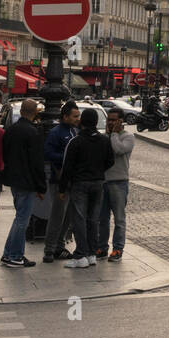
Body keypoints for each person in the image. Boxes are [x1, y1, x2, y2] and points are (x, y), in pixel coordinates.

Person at [59, 109, 114, 269]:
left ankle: (80, 254)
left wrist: (62, 189)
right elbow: (110, 161)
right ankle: (91, 253)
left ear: (82, 121)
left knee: (79, 219)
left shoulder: (76, 141)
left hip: (80, 183)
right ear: (96, 122)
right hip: (98, 183)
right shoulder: (104, 140)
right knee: (93, 219)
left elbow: (67, 167)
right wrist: (98, 170)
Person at [0, 99, 46, 268]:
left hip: (14, 180)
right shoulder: (33, 133)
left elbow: (4, 154)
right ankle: (14, 255)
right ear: (34, 112)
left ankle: (9, 253)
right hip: (27, 182)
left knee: (19, 218)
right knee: (22, 220)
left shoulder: (11, 130)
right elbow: (37, 163)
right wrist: (41, 187)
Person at [42, 101, 80, 263]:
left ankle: (59, 246)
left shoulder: (75, 132)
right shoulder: (56, 133)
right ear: (65, 116)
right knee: (57, 215)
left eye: (78, 116)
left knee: (68, 217)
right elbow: (48, 153)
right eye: (74, 116)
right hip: (59, 180)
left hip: (73, 180)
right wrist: (67, 158)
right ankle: (49, 249)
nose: (77, 119)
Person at [97, 108, 134, 261]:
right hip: (103, 182)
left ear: (121, 121)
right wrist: (108, 135)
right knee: (102, 218)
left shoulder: (128, 137)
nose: (111, 122)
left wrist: (112, 134)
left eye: (114, 120)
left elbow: (118, 150)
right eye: (109, 120)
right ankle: (102, 247)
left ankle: (118, 249)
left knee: (119, 219)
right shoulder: (103, 137)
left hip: (119, 182)